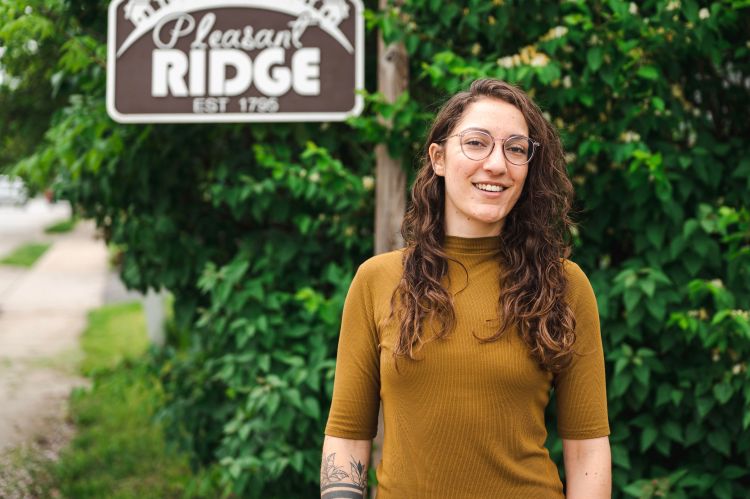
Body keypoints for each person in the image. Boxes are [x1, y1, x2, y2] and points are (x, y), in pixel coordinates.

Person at [321, 78, 611, 499]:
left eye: (515, 149)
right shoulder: (377, 280)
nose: (496, 164)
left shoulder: (564, 285)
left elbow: (587, 452)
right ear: (438, 158)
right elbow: (348, 438)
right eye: (476, 143)